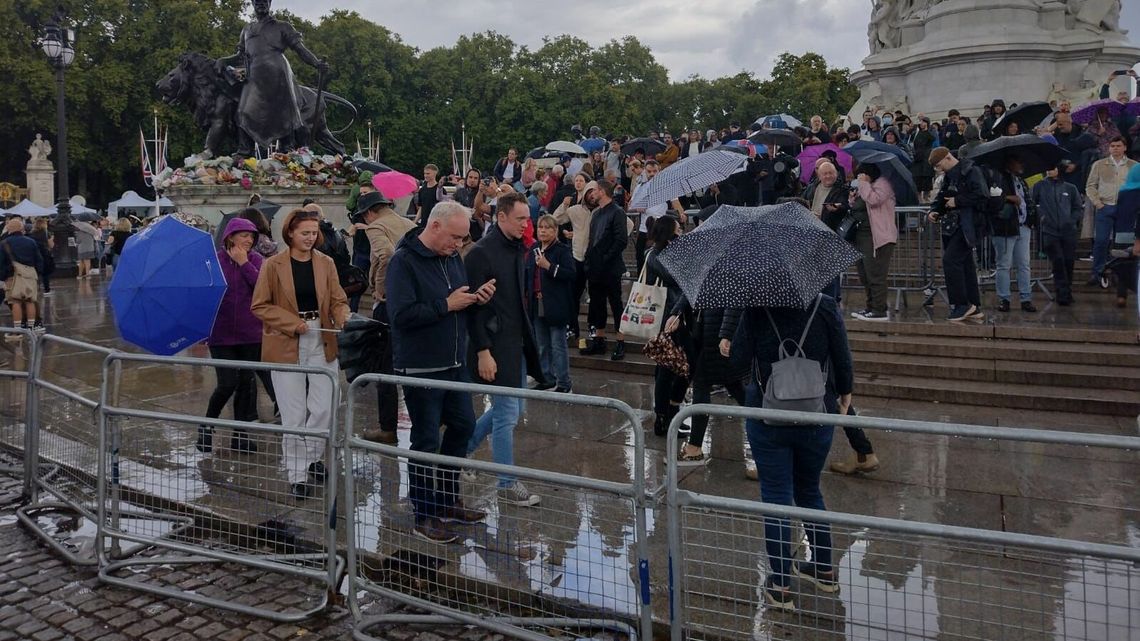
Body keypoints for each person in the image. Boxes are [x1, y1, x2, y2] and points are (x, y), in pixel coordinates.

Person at [386, 201, 493, 543]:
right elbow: (400, 315)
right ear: (434, 227)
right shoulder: (403, 261)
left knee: (463, 425)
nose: (459, 244)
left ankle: (447, 500)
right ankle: (424, 513)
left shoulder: (451, 258)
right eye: (455, 237)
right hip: (421, 365)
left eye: (463, 239)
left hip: (454, 363)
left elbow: (456, 301)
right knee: (426, 439)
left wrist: (476, 298)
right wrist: (446, 305)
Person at [739, 292, 852, 610]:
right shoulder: (826, 305)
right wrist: (845, 395)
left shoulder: (756, 307)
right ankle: (825, 570)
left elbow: (736, 360)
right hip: (817, 415)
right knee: (810, 491)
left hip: (768, 417)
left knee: (776, 498)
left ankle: (781, 586)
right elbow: (842, 357)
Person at [251, 208, 350, 500]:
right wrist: (292, 324)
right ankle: (297, 473)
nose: (310, 238)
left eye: (314, 233)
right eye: (304, 233)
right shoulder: (273, 265)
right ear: (290, 233)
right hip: (286, 340)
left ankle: (313, 458)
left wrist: (343, 316)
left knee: (324, 406)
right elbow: (260, 306)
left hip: (322, 337)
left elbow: (337, 299)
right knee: (293, 414)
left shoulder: (326, 263)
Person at [464, 191, 547, 507]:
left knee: (513, 410)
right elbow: (473, 309)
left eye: (528, 218)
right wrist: (483, 350)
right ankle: (506, 483)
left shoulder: (518, 249)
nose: (528, 224)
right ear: (501, 217)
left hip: (518, 343)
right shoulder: (481, 253)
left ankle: (465, 447)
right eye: (521, 219)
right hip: (495, 346)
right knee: (506, 414)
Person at [215, 0, 329, 155]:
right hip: (254, 78)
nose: (261, 3)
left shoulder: (282, 26)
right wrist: (225, 60)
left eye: (264, 0)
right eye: (257, 1)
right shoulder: (247, 30)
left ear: (269, 3)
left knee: (284, 114)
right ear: (253, 3)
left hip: (279, 76)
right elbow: (240, 55)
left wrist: (316, 63)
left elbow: (300, 49)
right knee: (242, 112)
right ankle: (244, 152)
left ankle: (286, 150)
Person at [199, 218, 265, 455]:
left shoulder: (256, 260)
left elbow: (263, 288)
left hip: (251, 333)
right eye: (243, 235)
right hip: (221, 333)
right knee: (227, 383)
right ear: (230, 237)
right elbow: (203, 295)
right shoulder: (214, 261)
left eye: (252, 236)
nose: (249, 240)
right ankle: (206, 426)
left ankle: (240, 435)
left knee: (246, 385)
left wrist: (244, 263)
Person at [357, 189, 415, 445]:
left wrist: (381, 289)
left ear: (369, 213)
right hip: (412, 299)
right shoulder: (409, 223)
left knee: (385, 367)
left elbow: (387, 255)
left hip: (390, 304)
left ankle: (388, 427)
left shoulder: (376, 227)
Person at [928, 148, 987, 321]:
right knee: (965, 264)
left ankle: (962, 304)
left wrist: (957, 201)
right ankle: (973, 305)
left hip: (969, 224)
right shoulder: (950, 175)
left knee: (951, 260)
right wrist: (934, 210)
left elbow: (982, 196)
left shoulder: (972, 171)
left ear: (948, 158)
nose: (940, 169)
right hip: (955, 225)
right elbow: (943, 196)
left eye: (940, 165)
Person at [644, 216, 688, 436]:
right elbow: (675, 277)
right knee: (666, 368)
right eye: (678, 228)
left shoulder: (672, 251)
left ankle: (671, 414)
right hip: (665, 316)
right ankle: (662, 418)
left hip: (677, 315)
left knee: (675, 367)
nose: (681, 231)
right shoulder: (655, 255)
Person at [526, 215, 576, 394]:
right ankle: (546, 378)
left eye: (547, 228)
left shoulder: (561, 250)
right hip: (536, 301)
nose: (543, 231)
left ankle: (564, 382)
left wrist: (549, 266)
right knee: (541, 344)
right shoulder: (533, 248)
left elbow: (570, 273)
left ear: (555, 231)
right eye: (540, 227)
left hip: (556, 304)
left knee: (558, 345)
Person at [581, 180, 629, 360]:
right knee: (597, 304)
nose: (592, 194)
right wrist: (589, 260)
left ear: (602, 191)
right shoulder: (596, 214)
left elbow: (621, 240)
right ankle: (599, 340)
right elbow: (592, 239)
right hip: (595, 266)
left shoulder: (617, 212)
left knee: (616, 304)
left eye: (595, 190)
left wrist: (605, 258)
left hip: (610, 267)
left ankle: (620, 341)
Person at [1086, 137, 1138, 287]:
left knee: (1122, 244)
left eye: (1118, 145)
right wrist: (1098, 203)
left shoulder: (1134, 166)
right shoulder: (1100, 164)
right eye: (1112, 145)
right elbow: (1090, 185)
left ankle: (1121, 275)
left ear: (1125, 148)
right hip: (1105, 206)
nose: (1115, 148)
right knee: (1101, 241)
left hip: (1126, 210)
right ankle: (1097, 272)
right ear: (1109, 148)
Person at [849, 163, 898, 321]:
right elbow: (860, 207)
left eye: (861, 175)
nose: (859, 178)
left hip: (878, 238)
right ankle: (870, 306)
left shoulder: (882, 184)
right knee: (864, 275)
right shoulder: (866, 187)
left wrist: (863, 185)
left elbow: (874, 200)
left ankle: (879, 309)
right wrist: (852, 199)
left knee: (875, 275)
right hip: (861, 237)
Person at [1032, 161, 1083, 306]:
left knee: (1068, 261)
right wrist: (1041, 217)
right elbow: (1033, 203)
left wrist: (1072, 221)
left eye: (1052, 168)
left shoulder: (1070, 188)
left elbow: (1077, 207)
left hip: (1068, 231)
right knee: (1058, 260)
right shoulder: (1039, 186)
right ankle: (1062, 293)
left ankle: (1067, 289)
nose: (1049, 170)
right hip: (1049, 230)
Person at [552, 176, 597, 341]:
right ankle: (572, 326)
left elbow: (627, 225)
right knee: (573, 294)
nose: (592, 196)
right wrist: (564, 204)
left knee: (595, 296)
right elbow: (556, 219)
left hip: (596, 258)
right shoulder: (575, 209)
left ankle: (593, 326)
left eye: (595, 193)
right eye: (589, 193)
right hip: (577, 256)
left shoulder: (603, 211)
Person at [992, 155, 1037, 312]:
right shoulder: (998, 178)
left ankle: (1026, 298)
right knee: (1004, 264)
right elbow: (992, 198)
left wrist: (1031, 221)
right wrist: (1011, 198)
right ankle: (1004, 298)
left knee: (1024, 264)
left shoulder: (1021, 180)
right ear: (1010, 162)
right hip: (1005, 227)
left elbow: (1027, 201)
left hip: (1023, 225)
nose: (1021, 164)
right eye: (1018, 161)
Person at [0, 217, 45, 336]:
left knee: (15, 301)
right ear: (21, 228)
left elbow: (1, 263)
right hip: (30, 275)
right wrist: (38, 273)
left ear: (9, 229)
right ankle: (32, 327)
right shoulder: (31, 241)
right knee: (30, 300)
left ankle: (18, 330)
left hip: (12, 276)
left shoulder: (4, 243)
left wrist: (2, 278)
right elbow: (39, 260)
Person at [27, 218, 54, 295]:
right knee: (45, 273)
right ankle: (47, 290)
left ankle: (34, 289)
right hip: (44, 254)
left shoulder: (31, 234)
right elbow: (51, 245)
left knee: (35, 273)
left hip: (34, 255)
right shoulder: (46, 233)